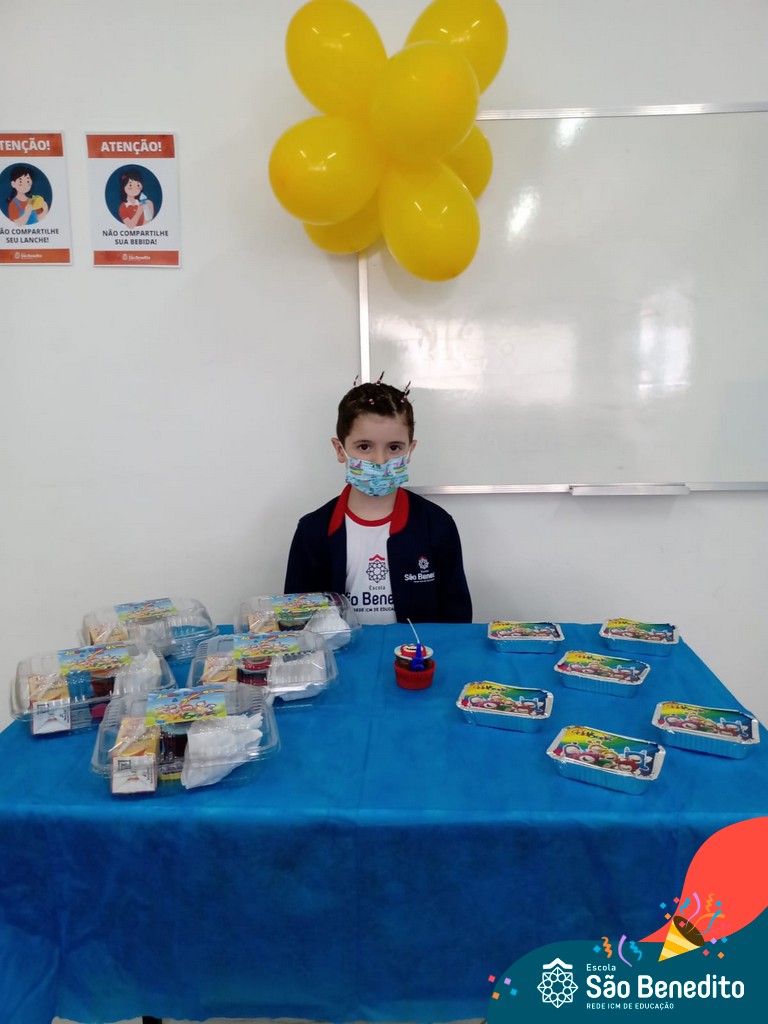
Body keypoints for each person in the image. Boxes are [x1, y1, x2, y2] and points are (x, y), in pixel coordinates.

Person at [284, 378, 472, 624]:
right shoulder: (313, 530)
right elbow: (296, 620)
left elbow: (457, 619)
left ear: (410, 450)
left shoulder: (437, 525)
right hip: (343, 650)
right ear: (340, 450)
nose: (380, 460)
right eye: (364, 447)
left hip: (418, 650)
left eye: (394, 448)